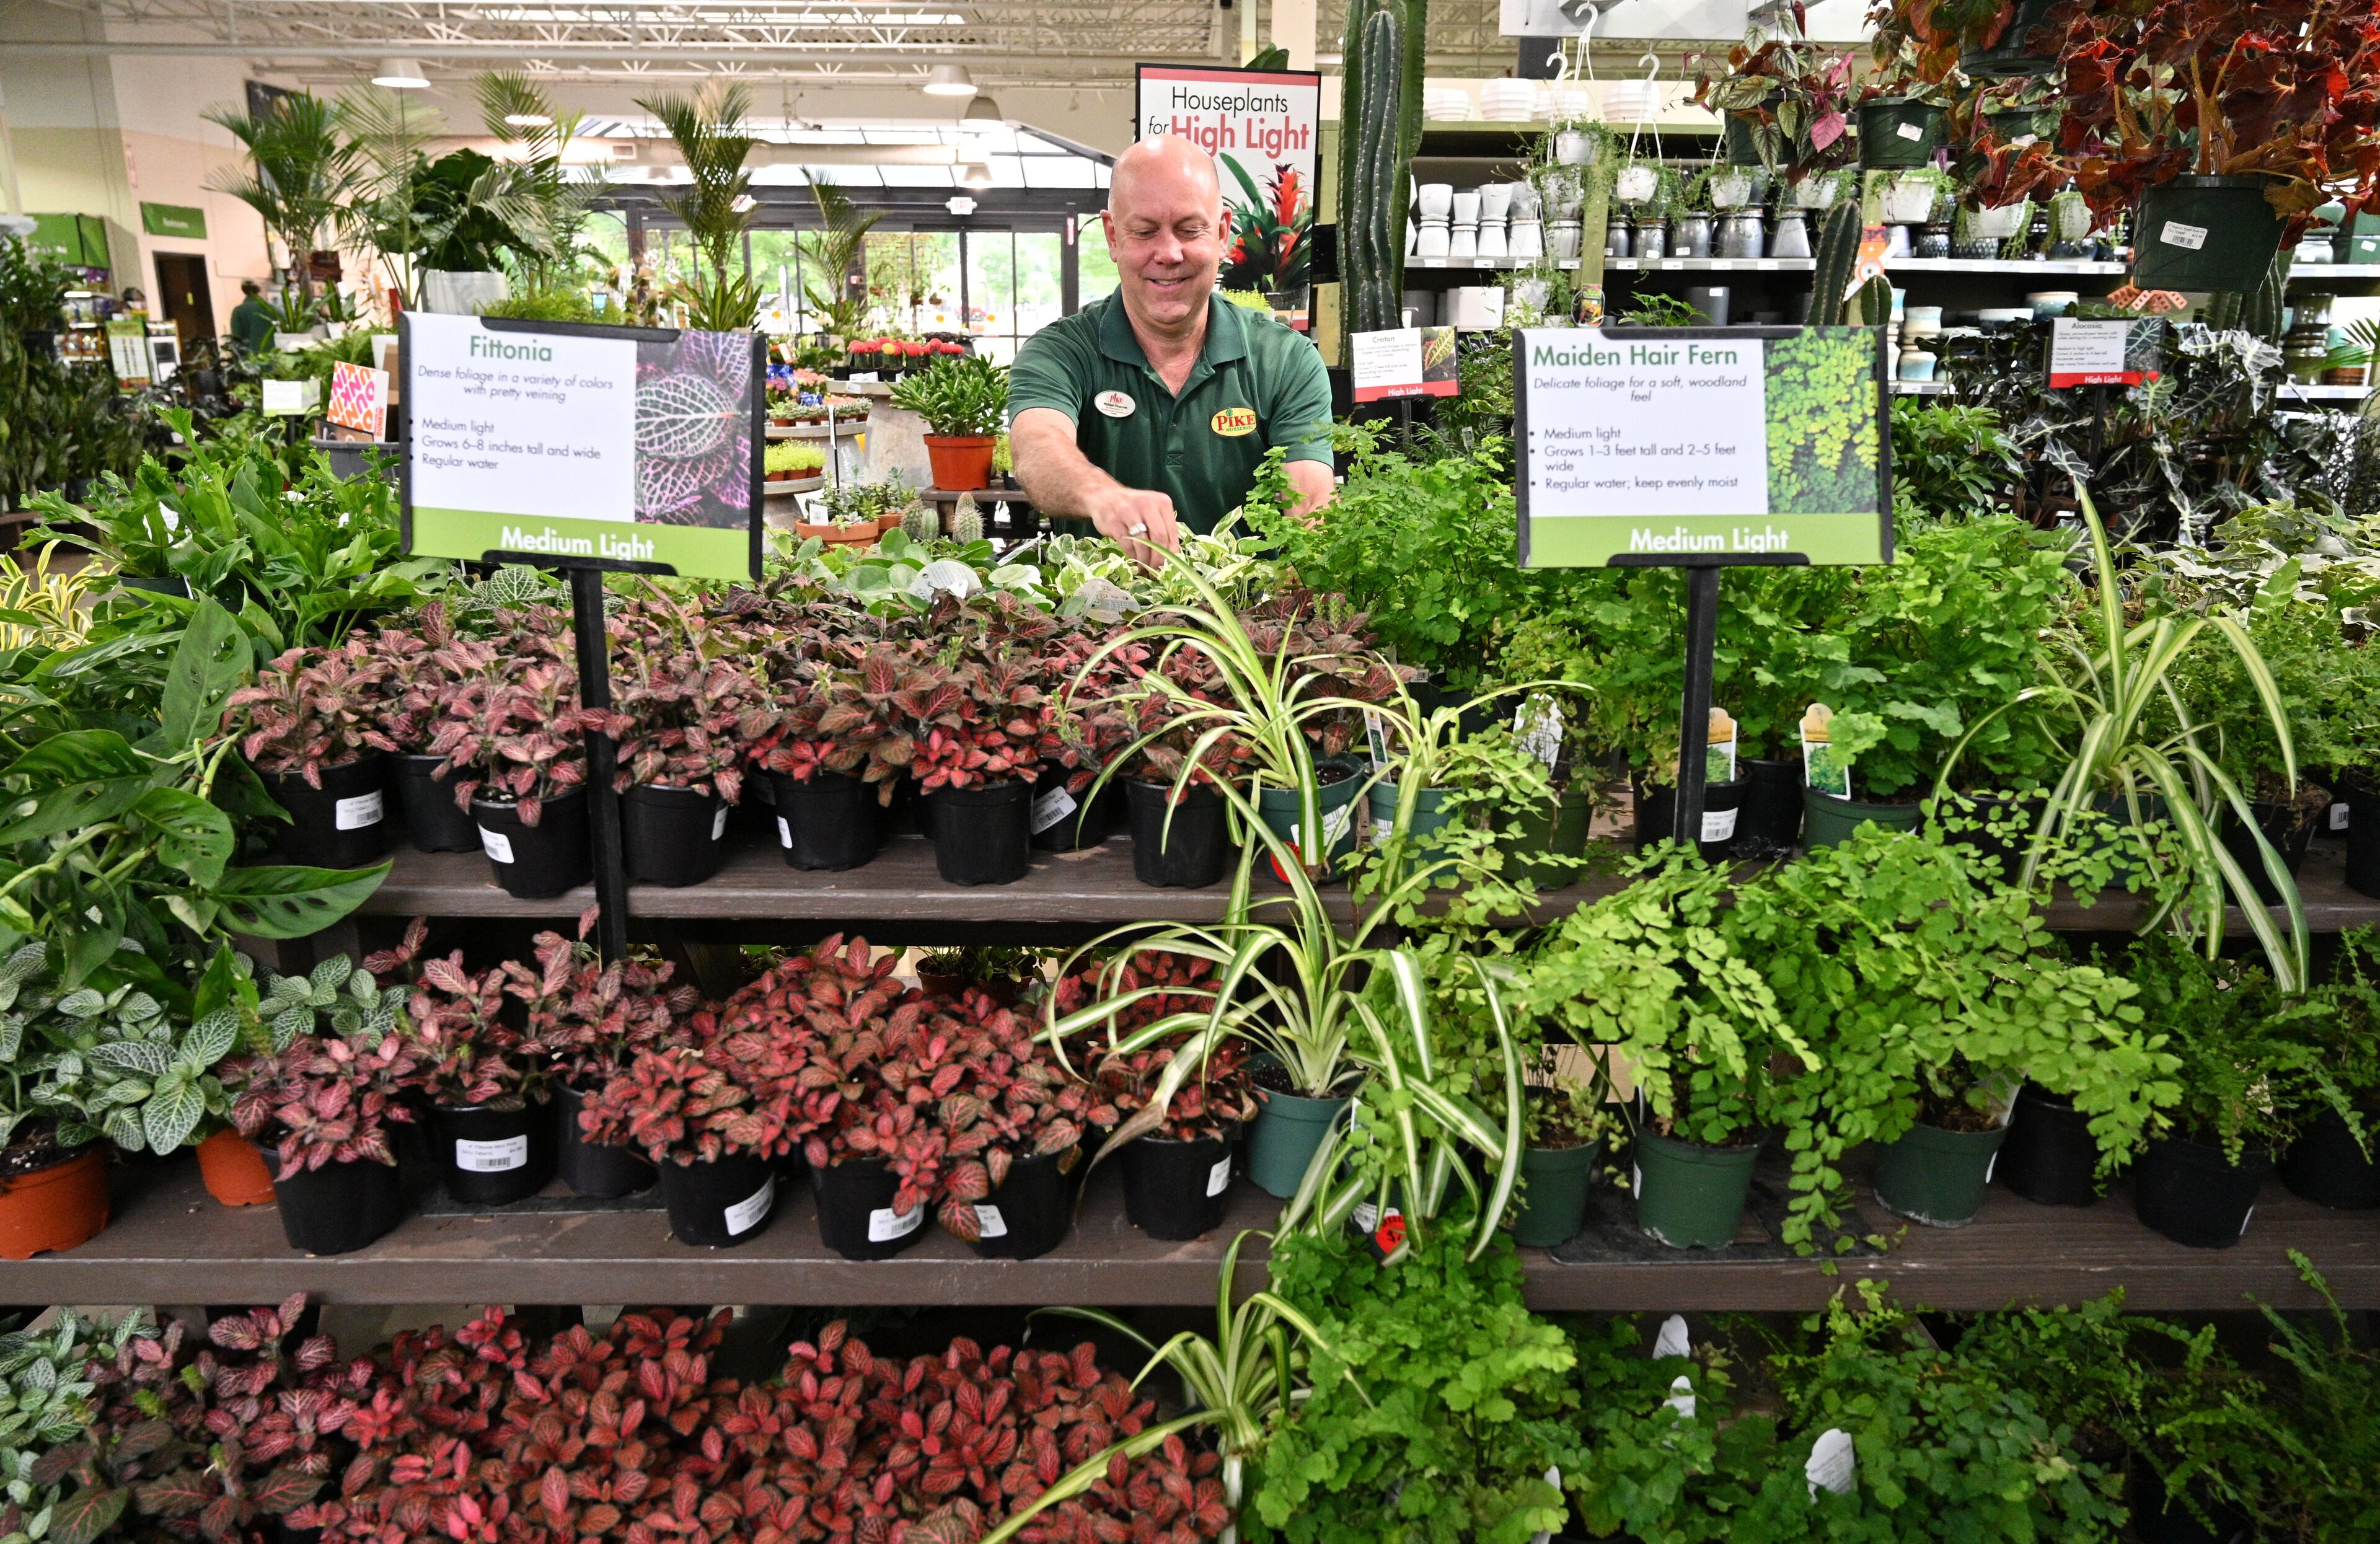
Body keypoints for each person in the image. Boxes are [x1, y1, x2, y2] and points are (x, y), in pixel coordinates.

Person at [1007, 134, 1334, 560]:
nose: (1169, 253)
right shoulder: (1062, 352)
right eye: (1144, 231)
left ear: (1220, 233)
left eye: (1189, 229)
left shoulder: (1286, 361)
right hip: (1101, 622)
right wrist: (1102, 495)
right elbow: (1037, 448)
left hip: (1250, 622)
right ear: (1112, 236)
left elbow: (1308, 506)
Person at [229, 280, 275, 354]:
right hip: (274, 357)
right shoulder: (274, 309)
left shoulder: (239, 311)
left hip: (250, 358)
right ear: (259, 290)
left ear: (243, 291)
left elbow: (236, 337)